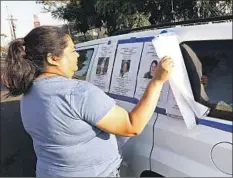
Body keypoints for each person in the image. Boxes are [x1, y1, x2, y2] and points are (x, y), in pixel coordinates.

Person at [1, 26, 174, 177]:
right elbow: (132, 126)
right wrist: (157, 81)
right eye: (72, 50)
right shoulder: (77, 93)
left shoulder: (29, 92)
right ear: (52, 58)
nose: (77, 55)